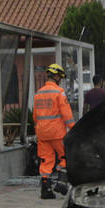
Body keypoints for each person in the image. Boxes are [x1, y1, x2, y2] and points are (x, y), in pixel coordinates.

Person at [34, 63, 75, 199]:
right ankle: (61, 184)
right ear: (56, 76)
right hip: (57, 133)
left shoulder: (38, 93)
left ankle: (45, 190)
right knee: (65, 157)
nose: (60, 79)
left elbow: (35, 116)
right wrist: (74, 129)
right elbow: (66, 114)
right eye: (60, 77)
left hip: (42, 133)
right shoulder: (59, 92)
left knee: (46, 160)